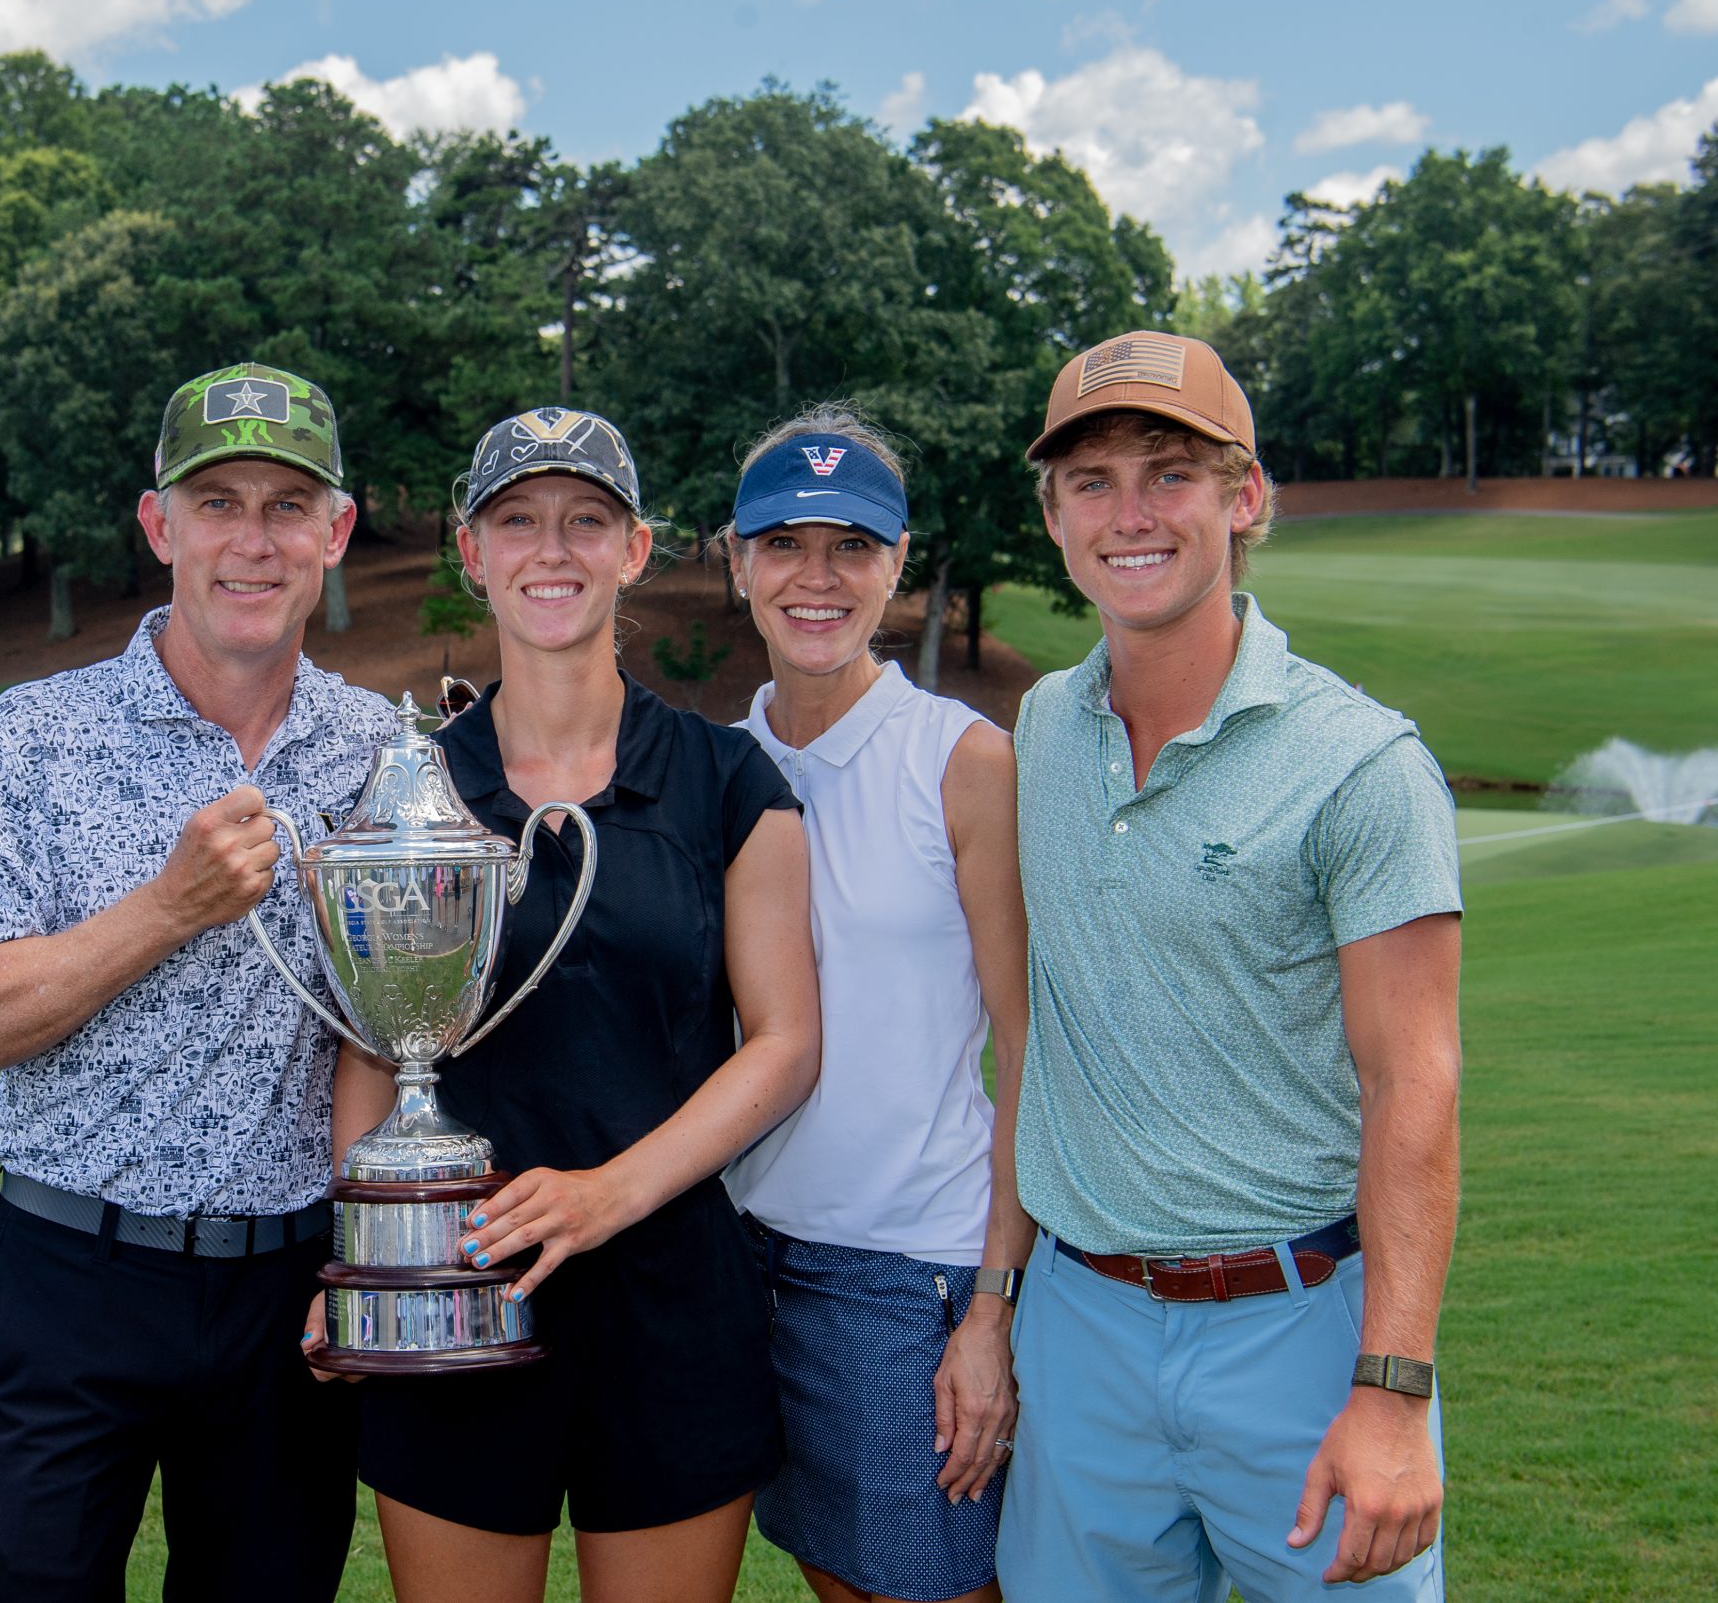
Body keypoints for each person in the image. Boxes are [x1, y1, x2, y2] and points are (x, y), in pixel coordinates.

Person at [0, 363, 394, 1601]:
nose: (252, 540)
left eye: (288, 505)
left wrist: (367, 1252)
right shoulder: (32, 735)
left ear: (335, 532)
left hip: (291, 1294)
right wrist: (167, 909)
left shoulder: (383, 750)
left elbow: (385, 1034)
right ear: (157, 524)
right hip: (72, 1277)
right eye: (217, 501)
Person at [313, 406, 823, 1603]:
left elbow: (786, 1044)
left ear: (634, 549)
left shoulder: (730, 780)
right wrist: (373, 1268)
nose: (554, 549)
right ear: (471, 550)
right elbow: (368, 1051)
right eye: (518, 522)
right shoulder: (411, 788)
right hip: (456, 1293)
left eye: (586, 521)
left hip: (670, 1308)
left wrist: (606, 1197)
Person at [995, 332, 1463, 1601]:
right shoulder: (1041, 726)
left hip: (1299, 1325)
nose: (1129, 513)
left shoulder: (1363, 763)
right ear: (1051, 518)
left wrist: (1393, 1388)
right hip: (1081, 1322)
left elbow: (1410, 1084)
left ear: (1244, 497)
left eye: (1170, 473)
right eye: (1090, 481)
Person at [719, 406, 1035, 1603]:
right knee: (836, 1580)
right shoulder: (719, 765)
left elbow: (1028, 1047)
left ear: (898, 562)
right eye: (784, 543)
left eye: (850, 545)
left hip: (913, 1272)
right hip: (746, 1261)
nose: (816, 577)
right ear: (736, 559)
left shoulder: (962, 761)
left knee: (940, 1588)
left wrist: (991, 1312)